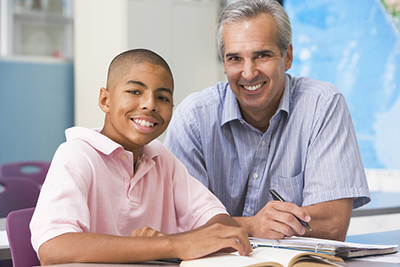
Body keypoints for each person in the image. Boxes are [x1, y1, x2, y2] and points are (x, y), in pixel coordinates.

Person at [163, 0, 370, 242]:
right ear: (224, 63)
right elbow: (176, 222)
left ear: (288, 56)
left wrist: (224, 225)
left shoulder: (322, 106)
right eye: (235, 59)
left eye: (262, 56)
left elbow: (333, 224)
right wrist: (250, 225)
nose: (249, 73)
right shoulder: (194, 118)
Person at [30, 49, 252, 265]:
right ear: (105, 100)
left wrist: (172, 242)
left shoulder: (161, 158)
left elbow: (221, 224)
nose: (150, 105)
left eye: (163, 97)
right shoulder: (77, 156)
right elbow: (53, 247)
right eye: (135, 92)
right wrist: (170, 245)